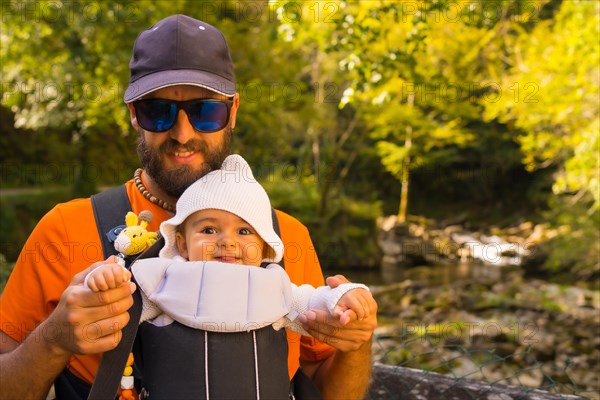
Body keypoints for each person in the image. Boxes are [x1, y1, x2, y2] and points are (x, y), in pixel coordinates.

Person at [0, 14, 377, 400]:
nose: (182, 134)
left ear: (232, 111)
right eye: (157, 111)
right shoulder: (65, 229)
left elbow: (330, 391)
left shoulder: (286, 237)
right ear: (133, 113)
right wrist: (53, 340)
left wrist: (356, 341)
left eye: (205, 112)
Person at [85, 154, 373, 332]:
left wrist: (343, 298)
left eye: (245, 233)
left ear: (265, 247)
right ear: (183, 245)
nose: (227, 242)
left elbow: (313, 303)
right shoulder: (165, 279)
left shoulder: (275, 288)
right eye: (209, 230)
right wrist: (105, 281)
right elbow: (119, 308)